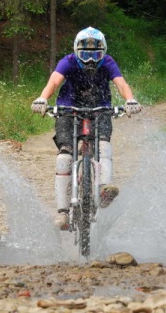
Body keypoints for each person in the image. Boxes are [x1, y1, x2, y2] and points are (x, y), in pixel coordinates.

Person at [31, 26, 142, 229]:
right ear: (76, 51)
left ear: (104, 52)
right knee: (64, 157)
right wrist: (42, 98)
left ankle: (103, 189)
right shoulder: (68, 61)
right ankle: (63, 213)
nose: (91, 60)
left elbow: (122, 84)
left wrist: (130, 100)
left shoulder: (108, 63)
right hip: (68, 109)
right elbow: (54, 81)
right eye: (86, 54)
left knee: (104, 146)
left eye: (96, 54)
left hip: (101, 109)